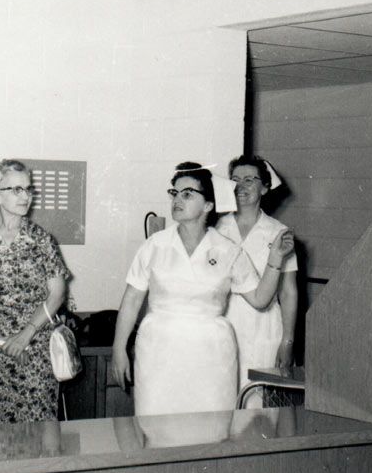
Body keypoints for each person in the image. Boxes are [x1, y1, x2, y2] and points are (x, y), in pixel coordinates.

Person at [110, 162, 293, 416]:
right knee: (157, 429)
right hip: (159, 355)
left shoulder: (228, 250)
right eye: (174, 193)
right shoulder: (155, 246)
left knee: (211, 432)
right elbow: (131, 300)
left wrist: (275, 259)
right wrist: (119, 349)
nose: (177, 200)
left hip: (211, 358)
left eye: (187, 194)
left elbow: (261, 299)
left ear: (208, 205)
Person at [0, 159, 71, 425]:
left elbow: (56, 295)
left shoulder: (42, 240)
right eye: (16, 189)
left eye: (28, 189)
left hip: (34, 353)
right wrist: (1, 340)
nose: (25, 196)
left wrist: (24, 336)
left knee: (37, 433)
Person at [218, 155, 298, 406]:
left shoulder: (278, 232)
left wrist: (287, 341)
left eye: (250, 180)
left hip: (264, 329)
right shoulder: (216, 228)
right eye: (235, 180)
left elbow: (288, 293)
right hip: (223, 325)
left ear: (264, 187)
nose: (241, 186)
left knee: (257, 409)